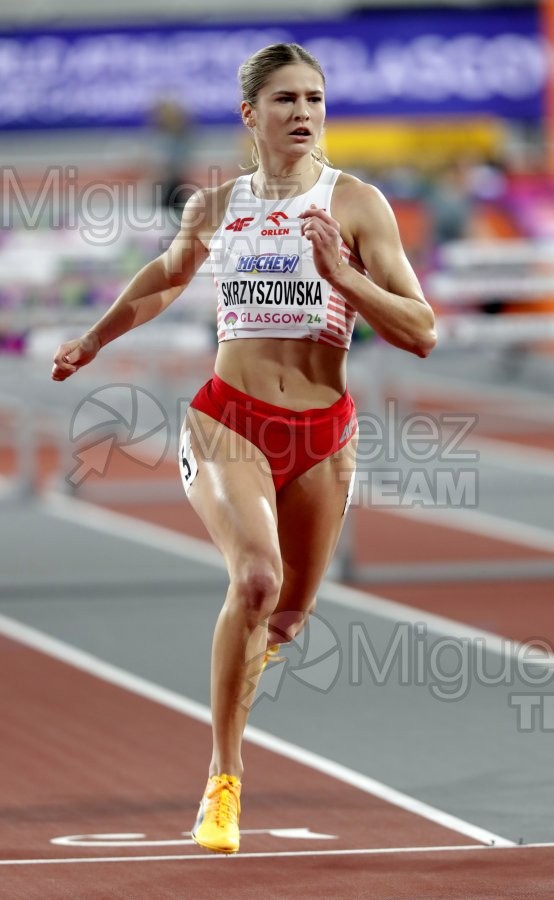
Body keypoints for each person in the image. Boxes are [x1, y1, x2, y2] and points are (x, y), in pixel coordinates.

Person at [52, 43, 437, 855]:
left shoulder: (358, 205)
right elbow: (164, 277)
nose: (304, 113)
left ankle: (245, 691)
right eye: (286, 99)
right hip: (229, 421)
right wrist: (92, 339)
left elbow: (423, 332)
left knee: (287, 614)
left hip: (323, 438)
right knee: (256, 578)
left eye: (316, 99)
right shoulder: (217, 205)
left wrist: (348, 277)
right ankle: (223, 781)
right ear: (250, 115)